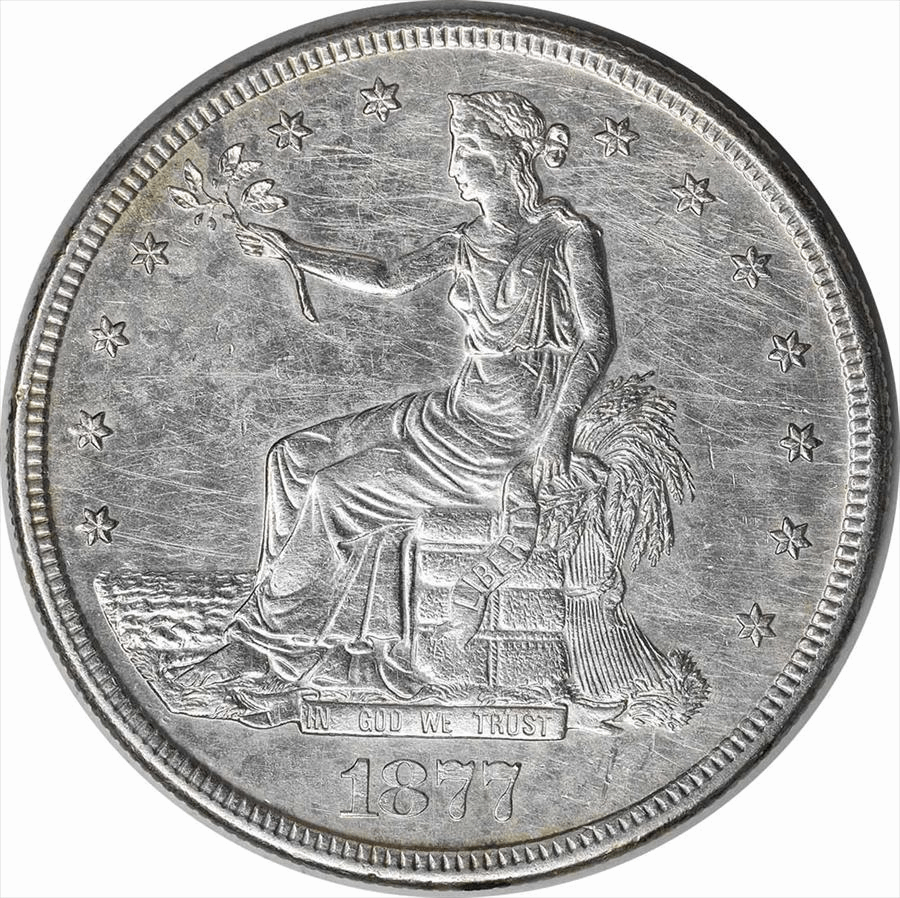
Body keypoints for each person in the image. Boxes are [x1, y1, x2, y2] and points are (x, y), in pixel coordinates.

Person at [182, 90, 617, 694]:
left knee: (334, 493)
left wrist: (558, 431)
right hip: (449, 414)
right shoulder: (466, 240)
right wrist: (293, 251)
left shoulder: (566, 238)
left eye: (467, 151)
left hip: (503, 437)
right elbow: (387, 277)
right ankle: (322, 641)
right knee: (294, 457)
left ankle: (267, 649)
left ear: (507, 156)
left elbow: (596, 341)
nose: (455, 168)